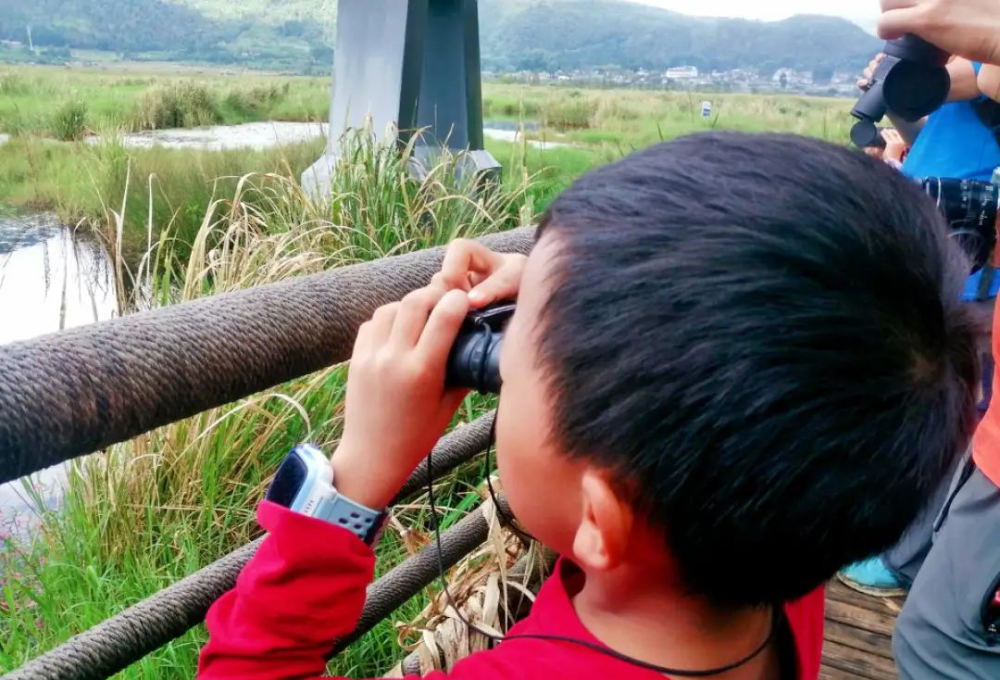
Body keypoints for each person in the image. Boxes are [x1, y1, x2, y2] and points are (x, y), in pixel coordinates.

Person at [196, 133, 979, 680]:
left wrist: (358, 476)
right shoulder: (778, 551)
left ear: (601, 520)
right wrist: (576, 287)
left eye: (515, 359)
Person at [859, 3, 1000, 677]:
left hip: (972, 275)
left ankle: (909, 550)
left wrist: (959, 57)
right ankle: (911, 547)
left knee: (937, 645)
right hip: (946, 248)